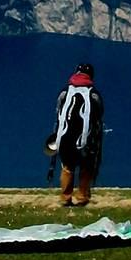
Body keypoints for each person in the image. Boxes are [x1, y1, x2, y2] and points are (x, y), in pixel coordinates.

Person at [46, 62, 104, 207]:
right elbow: (99, 115)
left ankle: (66, 197)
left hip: (65, 137)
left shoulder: (65, 92)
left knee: (67, 167)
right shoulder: (93, 94)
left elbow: (58, 111)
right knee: (86, 167)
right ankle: (82, 197)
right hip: (85, 138)